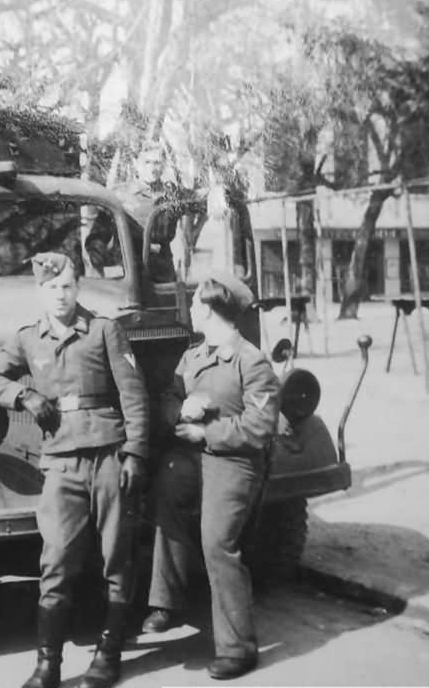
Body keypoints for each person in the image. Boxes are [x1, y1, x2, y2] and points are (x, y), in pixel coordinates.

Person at [0, 252, 149, 688]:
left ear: (78, 289)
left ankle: (108, 656)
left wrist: (137, 454)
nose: (61, 295)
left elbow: (134, 396)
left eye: (68, 286)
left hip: (109, 456)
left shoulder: (104, 331)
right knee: (55, 560)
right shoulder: (28, 339)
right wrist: (24, 397)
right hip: (61, 463)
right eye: (52, 288)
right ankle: (47, 665)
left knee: (116, 557)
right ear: (40, 292)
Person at [141, 268, 280, 680]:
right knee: (165, 495)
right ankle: (166, 601)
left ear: (212, 309)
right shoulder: (194, 355)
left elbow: (260, 429)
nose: (192, 309)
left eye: (197, 302)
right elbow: (168, 396)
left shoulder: (251, 361)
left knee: (218, 542)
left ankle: (238, 648)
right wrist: (178, 412)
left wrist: (208, 431)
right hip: (191, 455)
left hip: (233, 461)